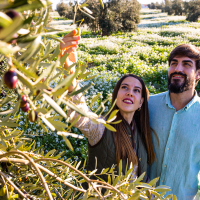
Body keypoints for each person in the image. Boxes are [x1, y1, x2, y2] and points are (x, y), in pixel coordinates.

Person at [60, 30, 156, 184]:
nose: (130, 93)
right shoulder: (101, 128)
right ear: (116, 95)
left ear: (141, 102)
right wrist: (70, 74)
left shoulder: (142, 133)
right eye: (124, 87)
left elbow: (142, 177)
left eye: (136, 90)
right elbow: (81, 115)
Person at [148, 44, 200, 199]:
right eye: (173, 63)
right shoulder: (148, 105)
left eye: (186, 64)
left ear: (198, 73)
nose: (178, 69)